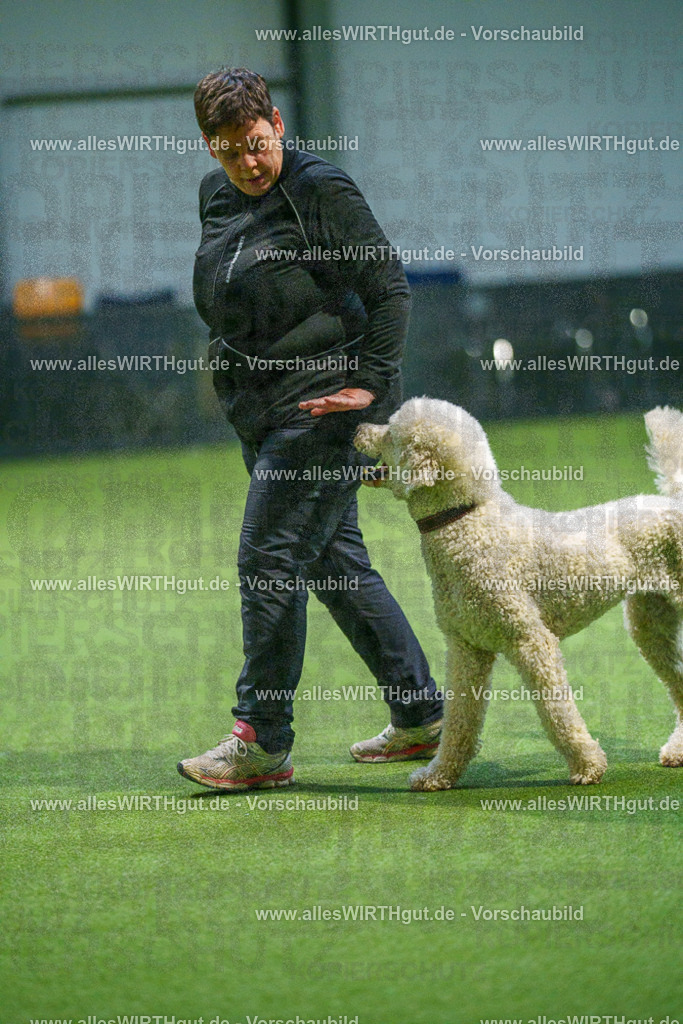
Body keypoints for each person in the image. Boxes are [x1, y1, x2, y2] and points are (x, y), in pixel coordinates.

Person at [178, 67, 442, 791]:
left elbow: (388, 286)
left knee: (267, 560)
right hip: (261, 410)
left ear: (279, 125)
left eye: (257, 144)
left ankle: (261, 743)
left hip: (321, 409)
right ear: (209, 147)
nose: (248, 163)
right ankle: (419, 715)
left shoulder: (321, 190)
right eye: (229, 150)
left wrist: (372, 392)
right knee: (333, 563)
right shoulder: (215, 195)